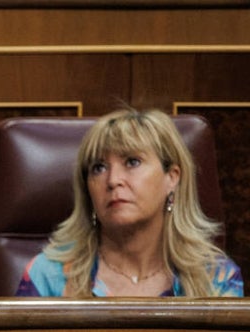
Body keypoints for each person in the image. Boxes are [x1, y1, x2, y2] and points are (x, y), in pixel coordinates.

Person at [17, 107, 242, 298]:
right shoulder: (48, 276)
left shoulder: (214, 278)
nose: (113, 180)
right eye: (99, 168)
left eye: (132, 162)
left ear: (172, 177)